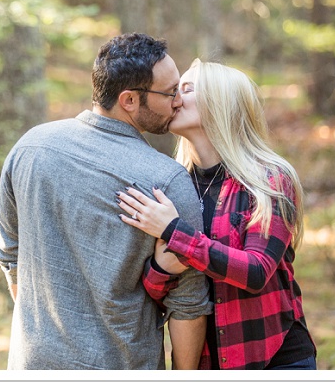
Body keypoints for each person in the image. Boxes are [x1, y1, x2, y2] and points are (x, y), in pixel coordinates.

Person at [0, 33, 211, 370]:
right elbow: (188, 305)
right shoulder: (167, 180)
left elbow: (10, 256)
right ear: (129, 100)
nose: (177, 102)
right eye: (169, 93)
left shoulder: (29, 148)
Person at [116, 58, 317, 370]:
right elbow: (158, 292)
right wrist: (161, 268)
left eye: (186, 89)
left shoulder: (270, 179)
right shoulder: (175, 185)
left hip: (276, 358)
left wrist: (173, 232)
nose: (175, 98)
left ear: (220, 103)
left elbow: (255, 272)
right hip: (207, 362)